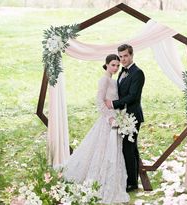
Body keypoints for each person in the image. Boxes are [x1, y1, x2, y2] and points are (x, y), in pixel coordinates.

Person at [63, 54, 130, 204]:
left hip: (116, 119)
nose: (115, 68)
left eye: (117, 66)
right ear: (106, 64)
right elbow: (99, 101)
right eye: (113, 65)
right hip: (108, 121)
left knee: (112, 152)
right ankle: (95, 179)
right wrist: (110, 118)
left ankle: (110, 179)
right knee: (101, 150)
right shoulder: (104, 80)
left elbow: (113, 100)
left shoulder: (114, 80)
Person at [105, 44, 145, 192]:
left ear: (132, 55)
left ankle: (132, 183)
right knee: (131, 148)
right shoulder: (122, 72)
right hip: (123, 115)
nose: (123, 59)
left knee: (128, 149)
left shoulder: (138, 73)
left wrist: (113, 104)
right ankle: (132, 179)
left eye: (125, 56)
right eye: (120, 56)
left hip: (132, 117)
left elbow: (132, 96)